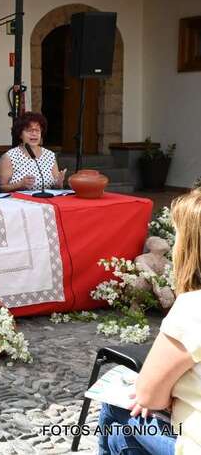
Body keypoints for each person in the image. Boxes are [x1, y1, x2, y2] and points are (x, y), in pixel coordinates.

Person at [98, 189, 201, 454]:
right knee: (120, 440)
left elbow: (148, 397)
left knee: (114, 404)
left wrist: (166, 396)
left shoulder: (193, 308)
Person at [0, 112, 66, 192]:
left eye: (37, 130)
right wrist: (19, 185)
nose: (34, 134)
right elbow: (0, 188)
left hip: (46, 198)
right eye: (29, 130)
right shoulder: (9, 157)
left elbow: (56, 187)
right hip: (18, 199)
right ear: (20, 134)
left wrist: (59, 184)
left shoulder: (50, 155)